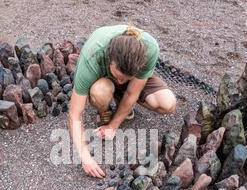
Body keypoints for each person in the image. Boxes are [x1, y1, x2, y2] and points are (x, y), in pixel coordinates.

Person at [68, 24, 177, 178]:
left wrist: (113, 126)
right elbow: (75, 114)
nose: (120, 82)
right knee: (100, 93)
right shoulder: (92, 56)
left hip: (134, 81)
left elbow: (132, 92)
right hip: (104, 81)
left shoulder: (150, 49)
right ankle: (105, 108)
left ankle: (122, 106)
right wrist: (84, 156)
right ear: (110, 60)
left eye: (126, 78)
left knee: (167, 104)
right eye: (118, 76)